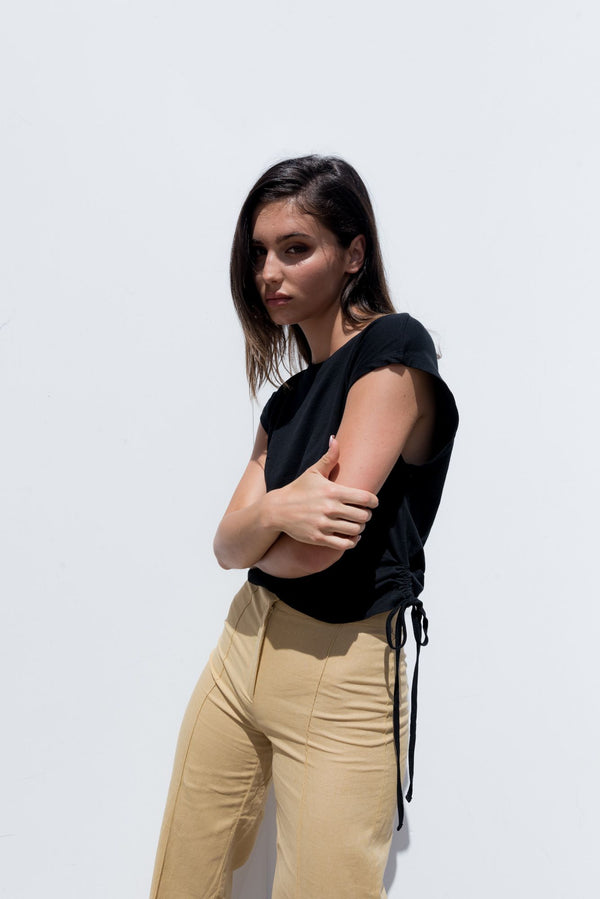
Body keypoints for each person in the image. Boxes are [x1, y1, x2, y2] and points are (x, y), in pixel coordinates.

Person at [149, 155, 459, 899]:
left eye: (296, 248)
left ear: (354, 254)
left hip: (342, 668)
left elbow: (320, 550)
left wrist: (263, 527)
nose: (269, 272)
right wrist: (277, 510)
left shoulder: (394, 351)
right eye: (259, 252)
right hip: (241, 648)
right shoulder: (285, 403)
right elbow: (227, 546)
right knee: (181, 880)